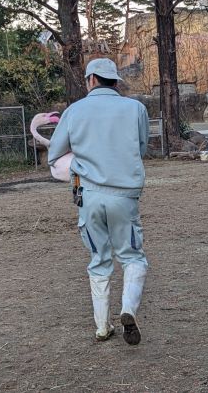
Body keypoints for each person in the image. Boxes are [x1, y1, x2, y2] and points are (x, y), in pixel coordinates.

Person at [48, 58, 149, 344]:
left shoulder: (74, 111)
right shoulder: (136, 109)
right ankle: (128, 309)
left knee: (99, 259)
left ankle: (102, 327)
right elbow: (141, 148)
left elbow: (55, 154)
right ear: (115, 81)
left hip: (88, 196)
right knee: (132, 257)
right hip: (124, 196)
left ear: (91, 79)